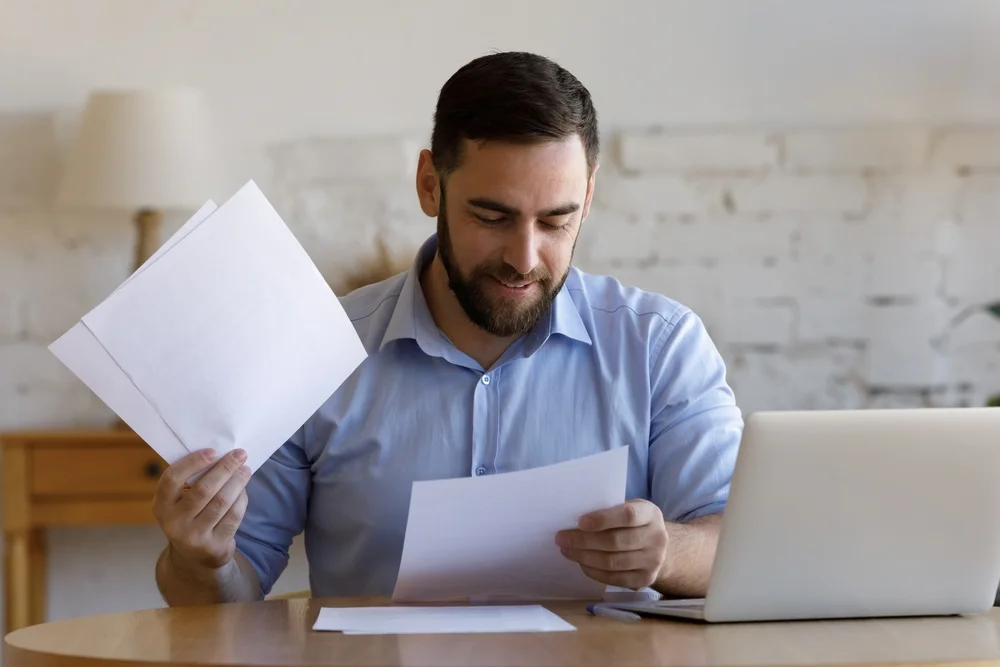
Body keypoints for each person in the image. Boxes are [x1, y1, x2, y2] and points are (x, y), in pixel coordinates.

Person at [152, 51, 744, 606]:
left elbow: (739, 547)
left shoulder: (660, 347)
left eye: (556, 221)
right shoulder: (318, 352)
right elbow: (228, 588)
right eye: (492, 217)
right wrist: (198, 559)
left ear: (587, 196)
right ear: (430, 184)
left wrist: (667, 552)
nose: (525, 257)